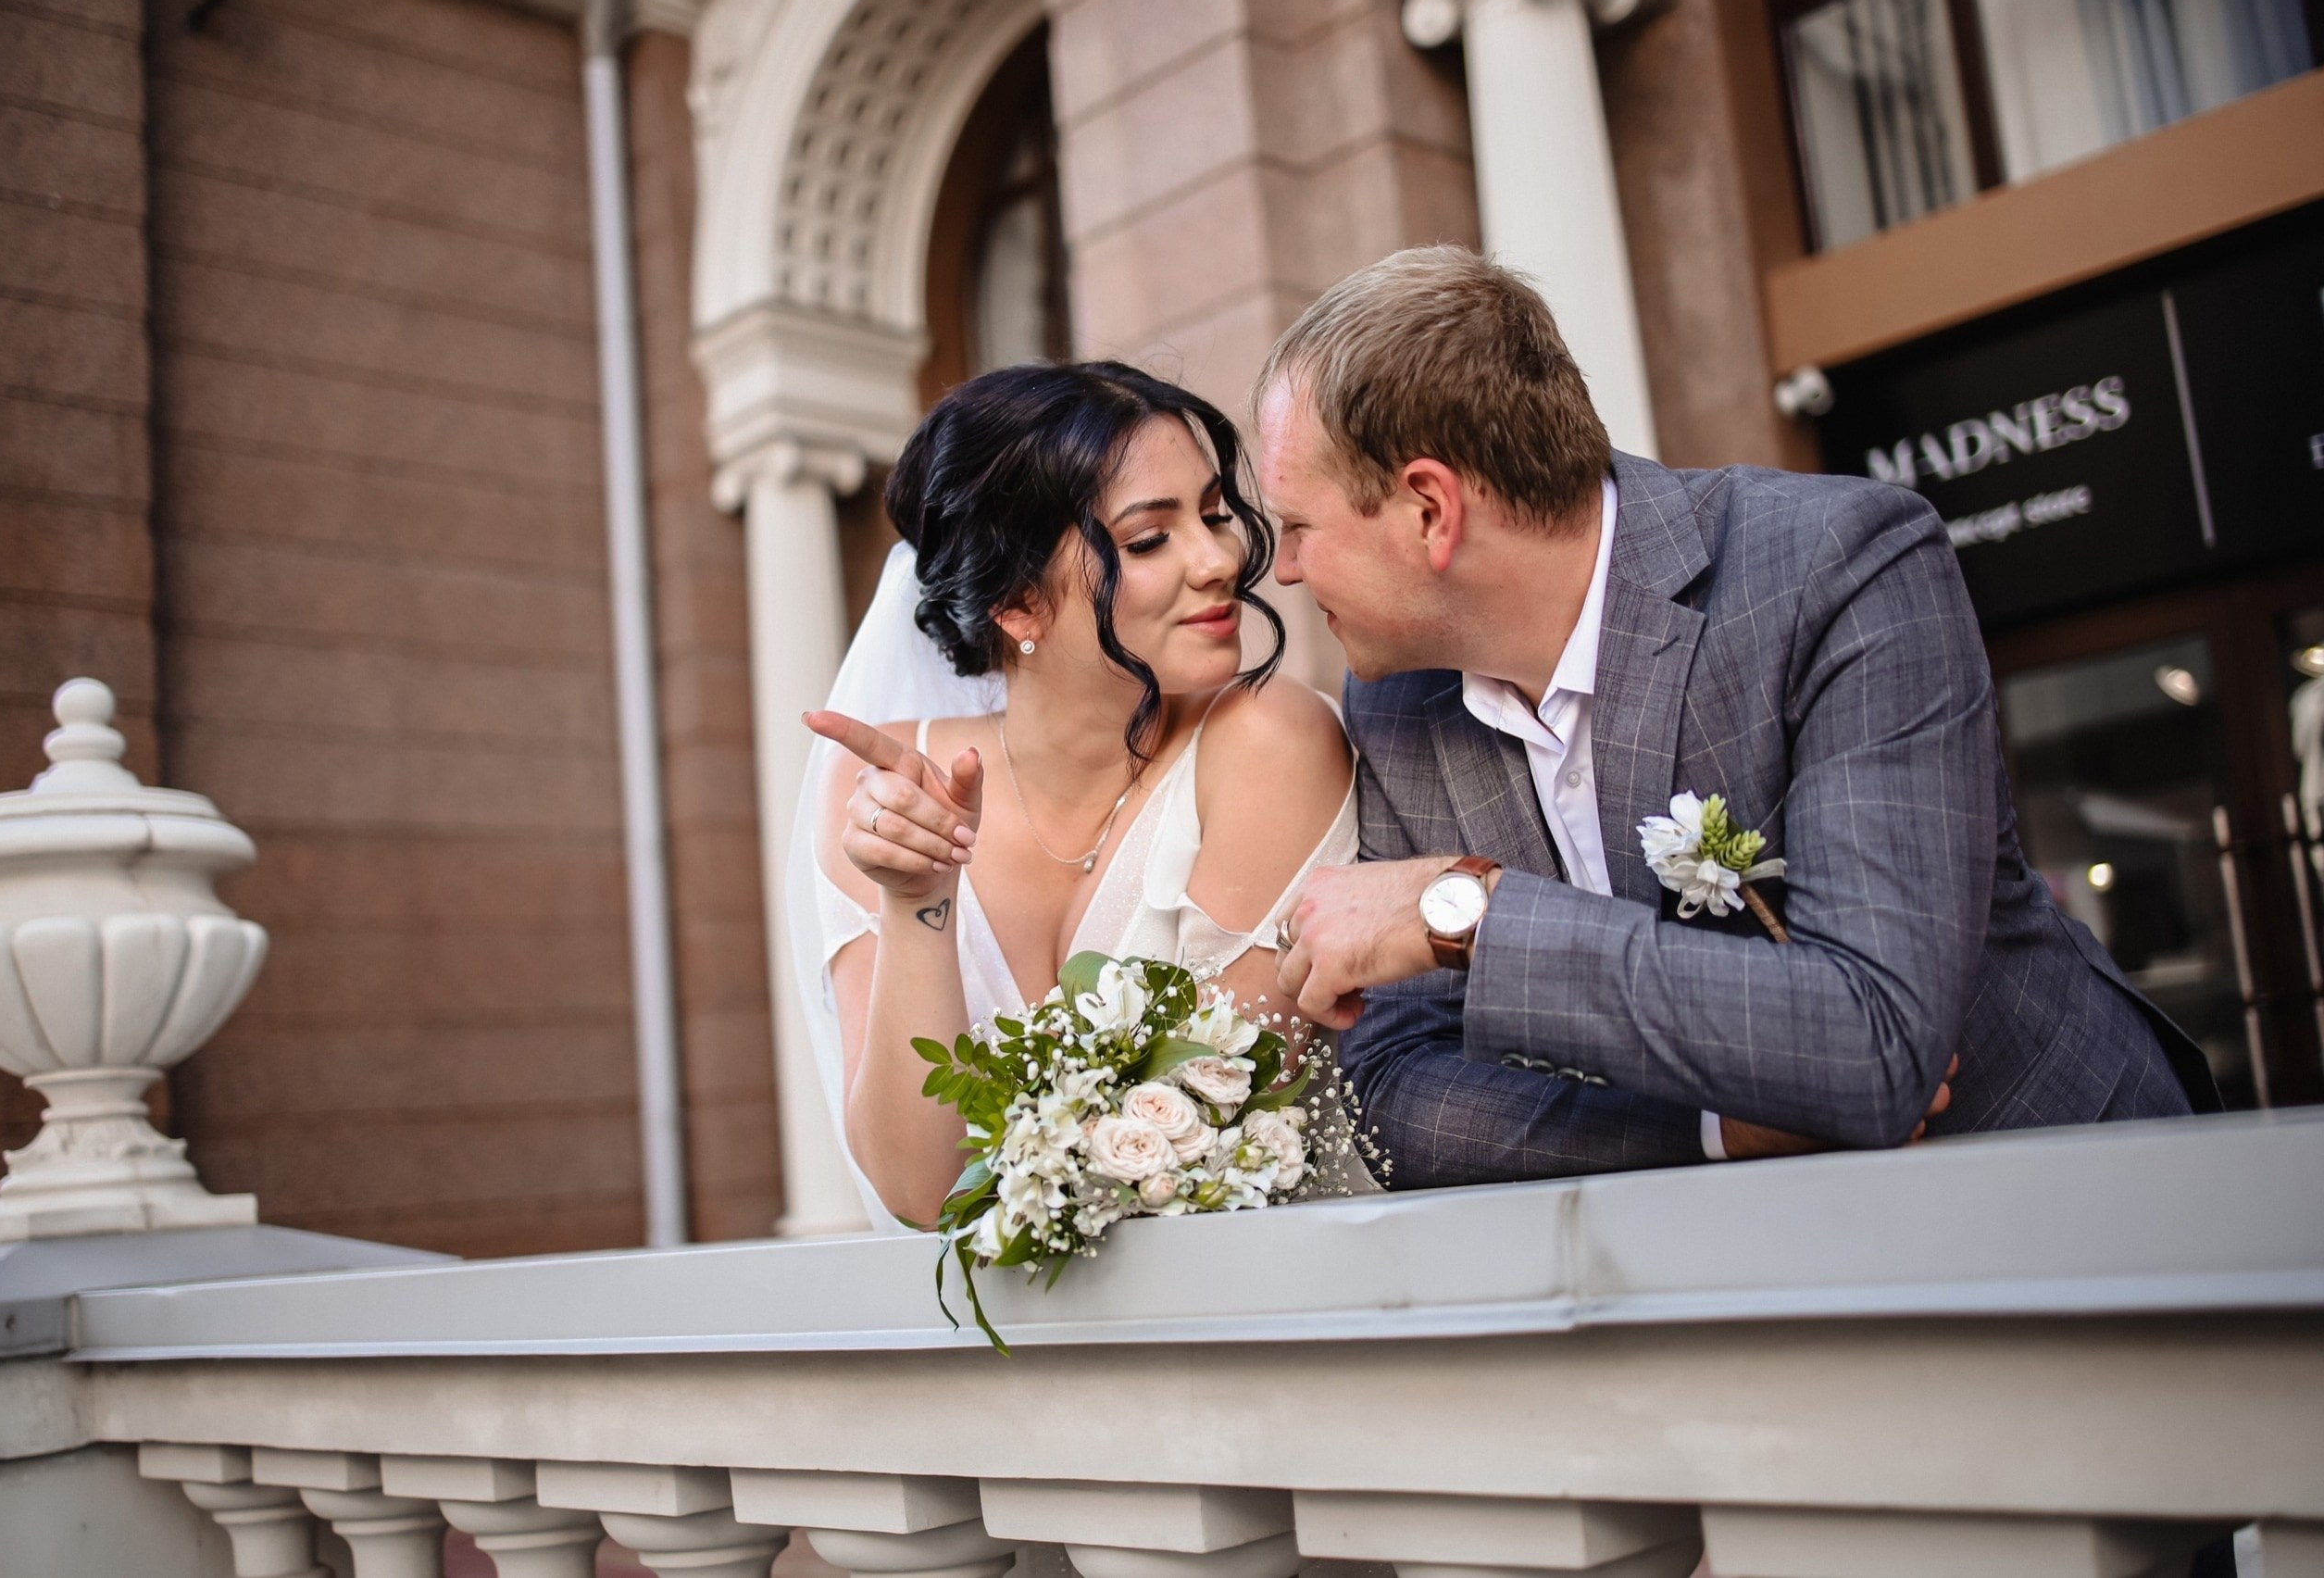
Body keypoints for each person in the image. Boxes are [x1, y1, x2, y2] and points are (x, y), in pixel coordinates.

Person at [1262, 245, 2218, 1188]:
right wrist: (1713, 1133)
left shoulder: (1838, 566)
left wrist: (1463, 911)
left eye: (1299, 527)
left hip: (2069, 1189)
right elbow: (1403, 1101)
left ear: (1429, 510)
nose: (1287, 571)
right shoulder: (1398, 701)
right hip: (1748, 1259)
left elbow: (1879, 1040)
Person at [797, 362, 1356, 1229]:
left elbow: (1200, 1135)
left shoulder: (1269, 742)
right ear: (1018, 604)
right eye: (1149, 539)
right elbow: (920, 1191)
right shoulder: (888, 786)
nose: (1221, 560)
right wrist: (918, 900)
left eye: (1214, 515)